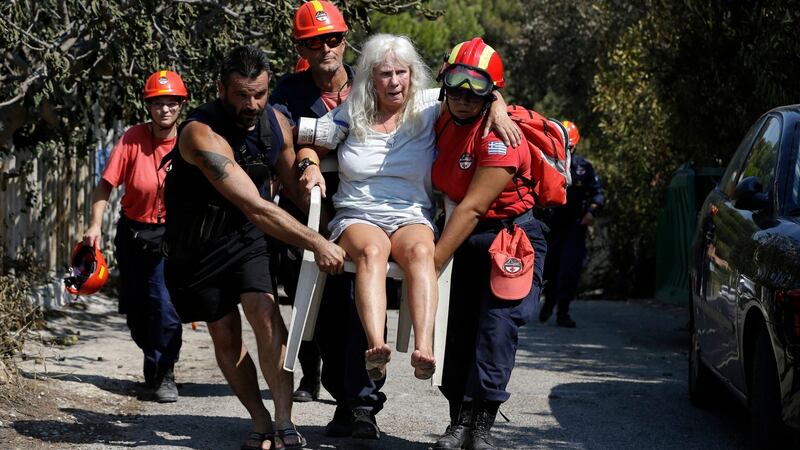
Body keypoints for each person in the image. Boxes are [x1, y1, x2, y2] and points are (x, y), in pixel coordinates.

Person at [162, 45, 345, 450]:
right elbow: (256, 205)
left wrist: (335, 228)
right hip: (198, 245)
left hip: (246, 237)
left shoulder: (275, 122)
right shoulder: (200, 133)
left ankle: (284, 420)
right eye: (242, 95)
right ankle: (259, 419)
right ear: (222, 89)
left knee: (266, 315)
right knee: (226, 336)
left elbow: (293, 191)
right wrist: (317, 242)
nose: (252, 104)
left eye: (259, 94)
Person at [430, 38, 560, 450]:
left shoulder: (501, 135)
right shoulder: (442, 116)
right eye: (456, 82)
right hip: (465, 237)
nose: (465, 96)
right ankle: (458, 422)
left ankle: (480, 426)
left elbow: (472, 208)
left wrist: (428, 265)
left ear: (492, 91)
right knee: (460, 330)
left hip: (510, 237)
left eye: (478, 88)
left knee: (495, 331)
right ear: (443, 82)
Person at [268, 0, 386, 439]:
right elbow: (281, 141)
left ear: (345, 37)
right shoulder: (287, 92)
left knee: (362, 308)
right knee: (321, 317)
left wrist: (495, 101)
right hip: (310, 219)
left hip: (366, 217)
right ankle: (344, 397)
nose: (326, 49)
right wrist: (304, 163)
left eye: (333, 38)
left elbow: (433, 100)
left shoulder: (371, 80)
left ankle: (363, 406)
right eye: (315, 42)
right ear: (302, 46)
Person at [82, 70, 188, 404]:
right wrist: (94, 226)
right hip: (132, 232)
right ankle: (152, 364)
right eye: (158, 104)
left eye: (171, 103)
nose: (165, 110)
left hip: (170, 236)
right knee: (135, 307)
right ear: (149, 107)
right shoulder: (132, 139)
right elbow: (105, 186)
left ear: (181, 106)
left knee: (163, 303)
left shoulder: (191, 139)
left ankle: (165, 372)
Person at [539, 120, 605, 328]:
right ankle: (549, 300)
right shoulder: (545, 163)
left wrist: (591, 212)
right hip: (550, 226)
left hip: (574, 227)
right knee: (549, 269)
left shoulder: (583, 168)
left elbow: (597, 194)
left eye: (569, 145)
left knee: (569, 270)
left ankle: (563, 312)